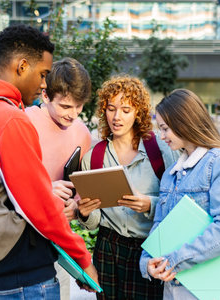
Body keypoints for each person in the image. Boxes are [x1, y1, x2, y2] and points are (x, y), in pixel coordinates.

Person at [0, 24, 98, 299]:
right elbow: (38, 206)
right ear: (22, 66)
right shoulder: (12, 120)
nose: (45, 83)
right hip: (23, 271)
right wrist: (83, 260)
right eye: (43, 74)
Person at [139, 89, 220, 300]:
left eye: (165, 129)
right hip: (172, 284)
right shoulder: (171, 174)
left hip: (206, 287)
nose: (161, 137)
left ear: (184, 122)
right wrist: (147, 261)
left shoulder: (219, 162)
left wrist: (174, 260)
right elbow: (160, 225)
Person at [77, 75, 179, 300]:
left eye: (125, 109)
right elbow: (94, 223)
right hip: (108, 250)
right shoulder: (93, 158)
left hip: (150, 247)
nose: (117, 117)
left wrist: (150, 204)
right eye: (111, 108)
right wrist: (85, 213)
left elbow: (180, 203)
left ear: (138, 112)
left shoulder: (162, 150)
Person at [25, 57, 92, 300]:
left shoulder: (82, 134)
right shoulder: (24, 121)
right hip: (20, 240)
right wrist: (45, 190)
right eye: (66, 106)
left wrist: (75, 206)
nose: (73, 114)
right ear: (45, 95)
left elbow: (80, 191)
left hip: (58, 243)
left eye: (79, 106)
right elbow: (4, 181)